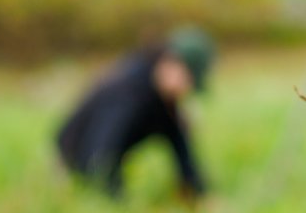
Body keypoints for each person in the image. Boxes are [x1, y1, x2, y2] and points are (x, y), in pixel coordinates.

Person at [56, 27, 215, 200]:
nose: (187, 91)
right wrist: (119, 203)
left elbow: (182, 149)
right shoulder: (128, 94)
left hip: (99, 157)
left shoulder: (162, 96)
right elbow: (98, 157)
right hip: (73, 161)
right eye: (188, 81)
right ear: (172, 65)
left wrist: (199, 193)